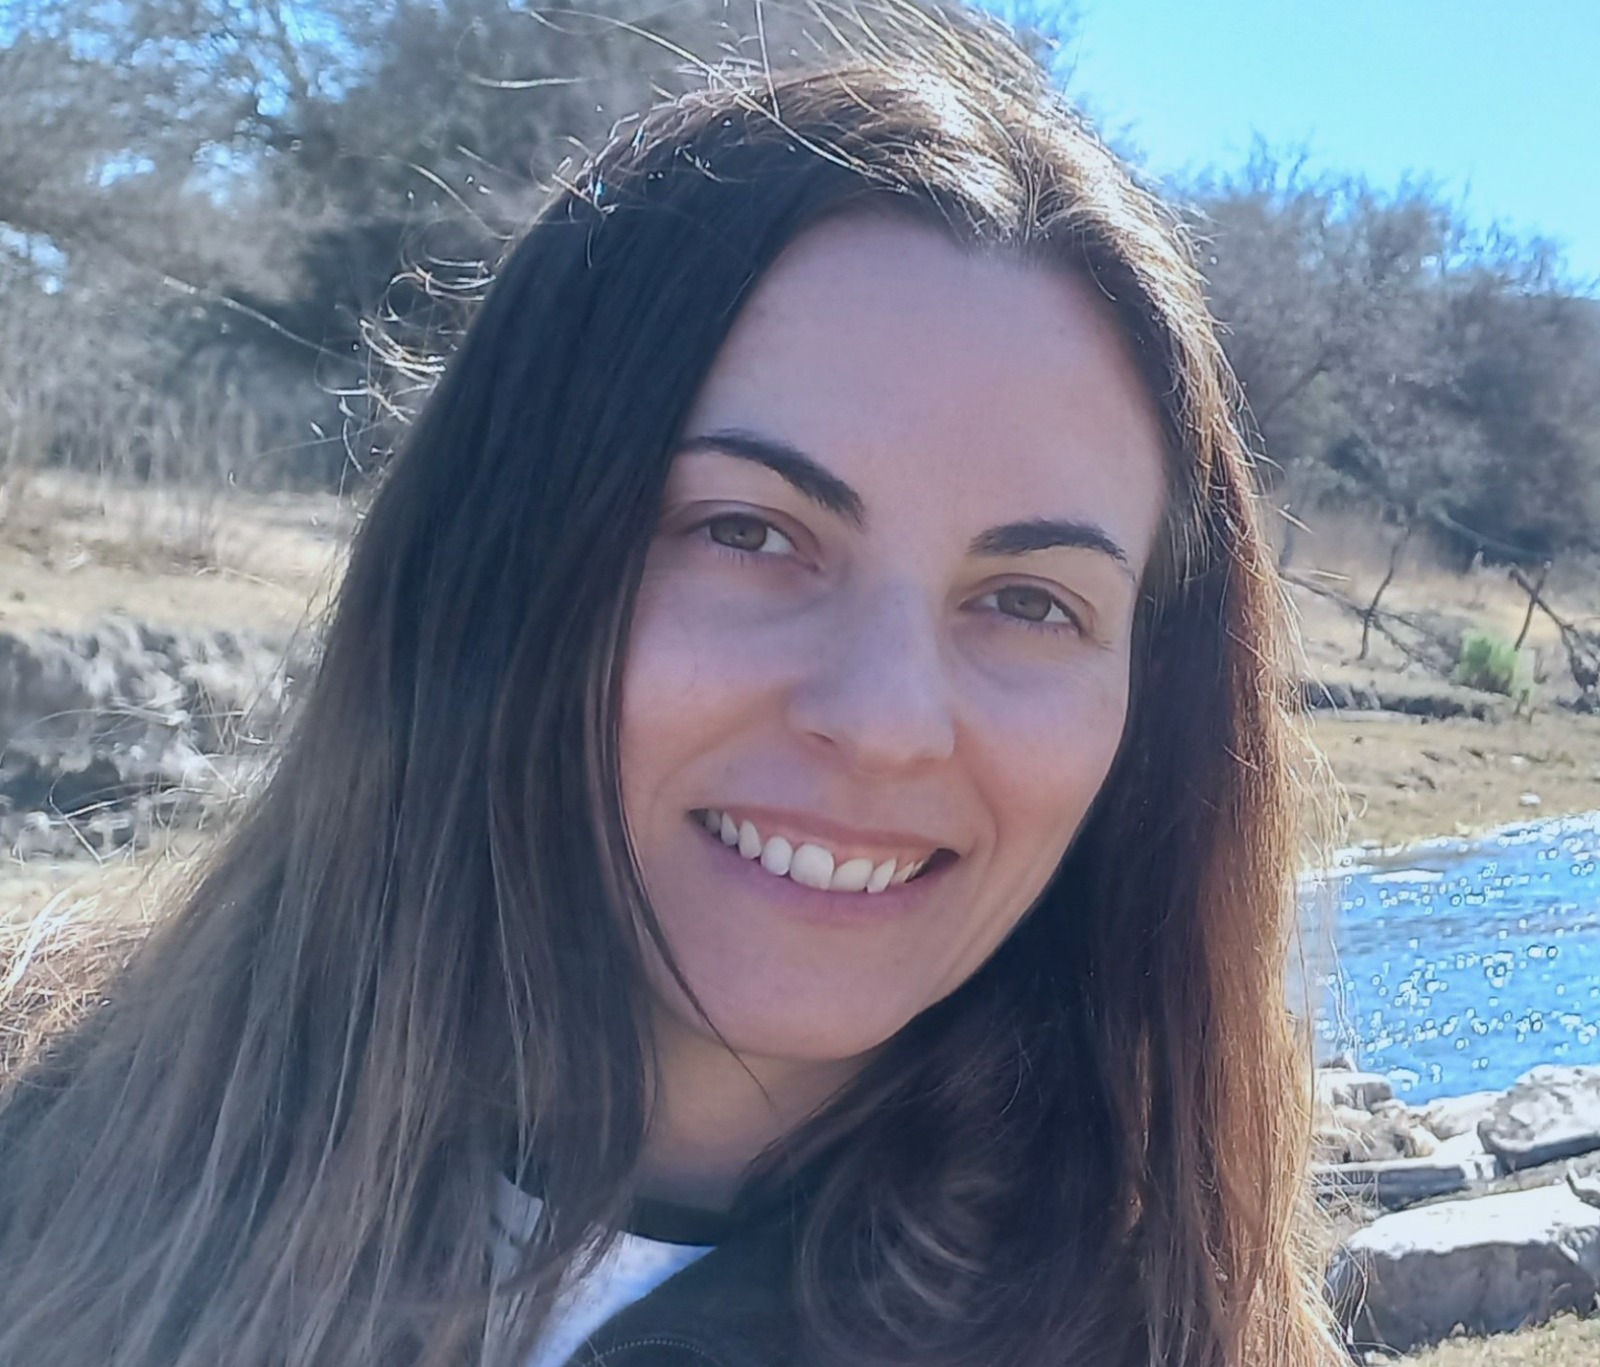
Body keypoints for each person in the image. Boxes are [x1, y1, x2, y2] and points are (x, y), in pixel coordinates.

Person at [0, 10, 1342, 1366]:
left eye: (1032, 602)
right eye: (747, 531)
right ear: (494, 562)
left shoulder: (1178, 1335)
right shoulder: (41, 1162)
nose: (885, 722)